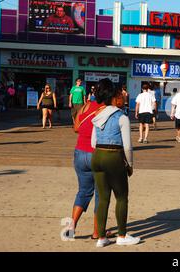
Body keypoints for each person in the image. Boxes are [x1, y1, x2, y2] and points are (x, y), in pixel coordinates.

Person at [91, 79, 140, 247]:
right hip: (113, 157)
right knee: (121, 197)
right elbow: (127, 146)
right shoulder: (122, 117)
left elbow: (92, 142)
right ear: (114, 97)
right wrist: (130, 165)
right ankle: (122, 235)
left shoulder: (97, 115)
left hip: (97, 156)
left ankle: (101, 238)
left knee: (103, 198)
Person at [65, 83, 107, 240]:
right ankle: (97, 232)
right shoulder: (108, 110)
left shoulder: (85, 106)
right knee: (100, 195)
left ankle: (70, 228)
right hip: (97, 154)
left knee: (83, 191)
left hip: (80, 153)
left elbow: (76, 128)